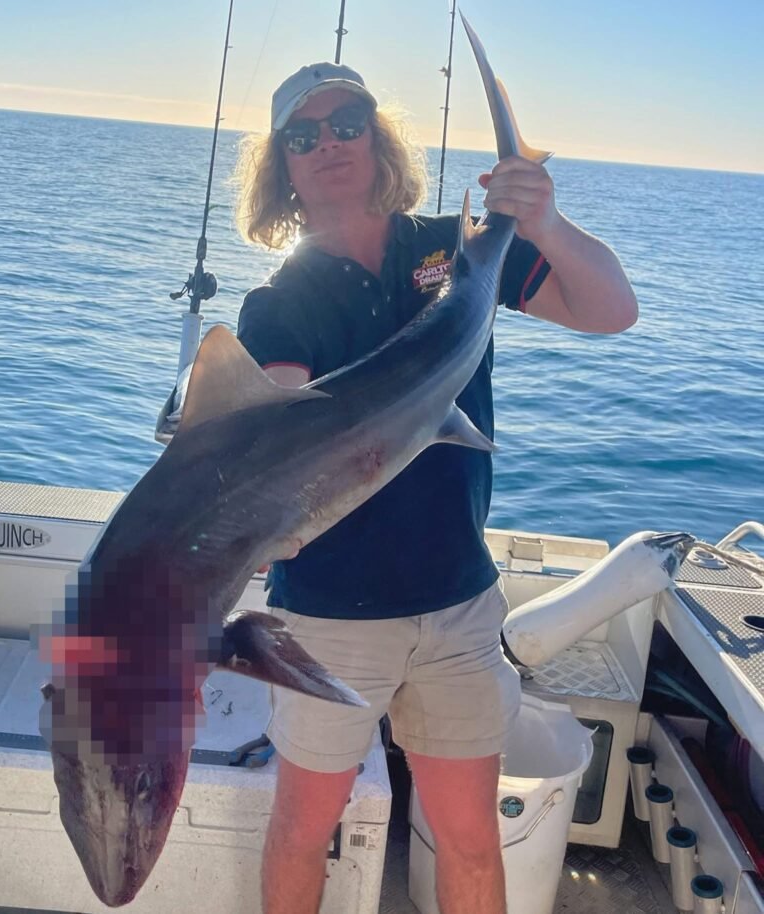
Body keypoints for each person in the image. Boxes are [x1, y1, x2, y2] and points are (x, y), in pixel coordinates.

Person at [232, 62, 638, 914]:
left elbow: (611, 310)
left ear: (379, 136)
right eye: (303, 137)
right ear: (284, 168)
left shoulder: (453, 251)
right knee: (304, 829)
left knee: (470, 841)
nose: (329, 143)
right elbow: (279, 415)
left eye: (347, 122)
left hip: (458, 602)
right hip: (328, 616)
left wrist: (547, 221)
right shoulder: (279, 301)